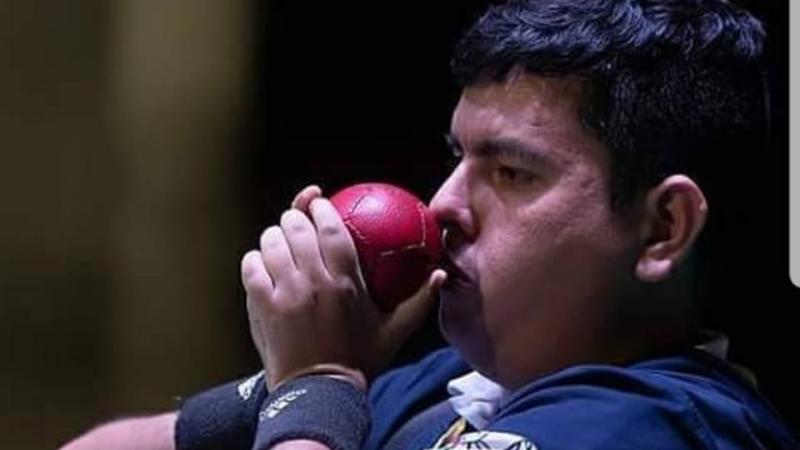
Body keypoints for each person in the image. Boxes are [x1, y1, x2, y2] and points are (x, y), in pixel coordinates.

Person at [61, 1, 798, 449]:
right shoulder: (456, 380)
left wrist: (317, 383)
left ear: (664, 227)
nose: (442, 205)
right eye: (457, 157)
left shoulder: (660, 427)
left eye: (512, 172)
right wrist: (291, 388)